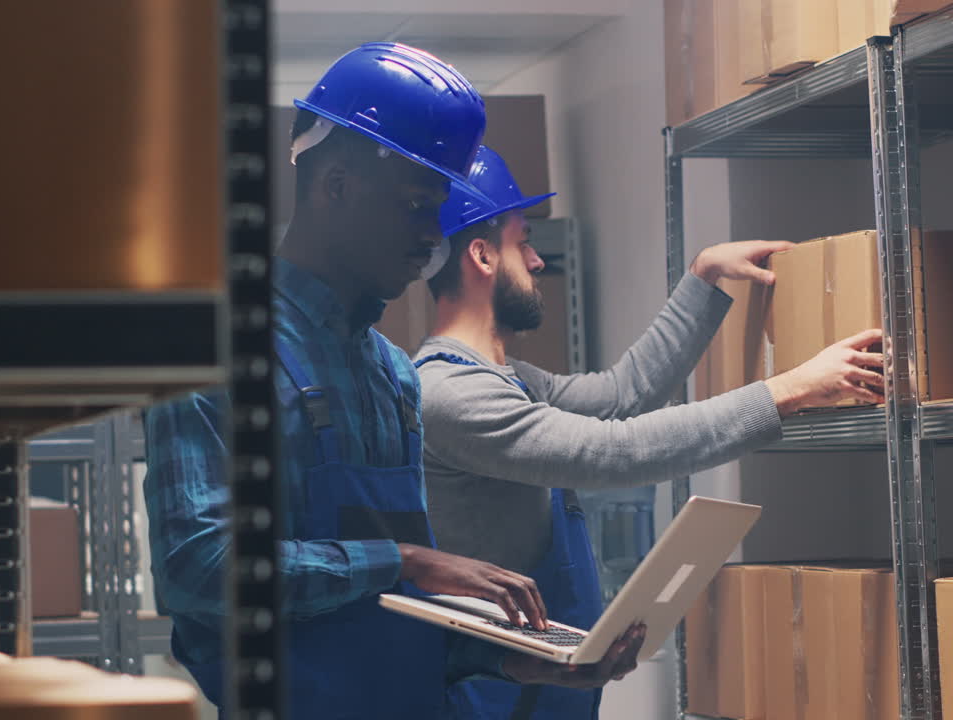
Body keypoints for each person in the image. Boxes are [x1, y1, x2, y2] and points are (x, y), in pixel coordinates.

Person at [141, 45, 644, 719]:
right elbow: (198, 568)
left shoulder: (392, 374)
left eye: (436, 212)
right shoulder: (215, 354)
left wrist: (508, 661)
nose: (429, 241)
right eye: (413, 205)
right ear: (335, 186)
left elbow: (387, 626)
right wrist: (403, 559)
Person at [415, 145, 885, 720]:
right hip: (491, 697)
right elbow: (615, 451)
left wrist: (703, 277)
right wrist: (790, 390)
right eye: (525, 242)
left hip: (542, 685)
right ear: (483, 255)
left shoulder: (510, 382)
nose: (538, 262)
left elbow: (619, 398)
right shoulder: (450, 394)